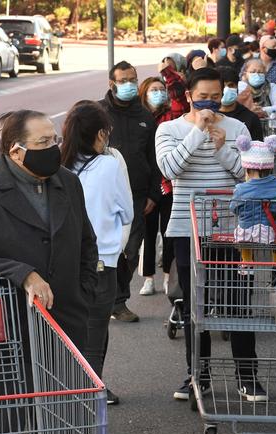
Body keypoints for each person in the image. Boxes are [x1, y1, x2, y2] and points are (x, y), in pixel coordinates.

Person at [0, 110, 98, 355]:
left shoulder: (68, 182)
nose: (54, 147)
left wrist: (84, 293)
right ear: (16, 151)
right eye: (43, 142)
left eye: (55, 140)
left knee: (68, 394)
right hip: (8, 333)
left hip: (68, 323)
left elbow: (86, 242)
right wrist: (24, 274)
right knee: (16, 394)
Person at [156, 67, 264, 402]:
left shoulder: (237, 128)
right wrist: (197, 132)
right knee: (193, 305)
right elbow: (169, 170)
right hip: (187, 229)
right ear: (188, 95)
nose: (210, 103)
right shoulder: (169, 129)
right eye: (203, 96)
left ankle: (248, 378)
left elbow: (248, 178)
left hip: (232, 230)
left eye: (216, 96)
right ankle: (197, 377)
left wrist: (221, 148)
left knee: (236, 302)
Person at [61, 100, 134, 404]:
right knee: (96, 330)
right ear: (100, 134)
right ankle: (91, 392)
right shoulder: (108, 164)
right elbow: (127, 211)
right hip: (104, 259)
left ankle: (77, 389)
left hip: (67, 260)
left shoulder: (59, 166)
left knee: (71, 330)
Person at [99, 61, 160, 323]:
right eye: (123, 80)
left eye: (133, 79)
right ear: (112, 84)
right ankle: (109, 300)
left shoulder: (145, 116)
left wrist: (153, 195)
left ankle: (118, 299)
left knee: (131, 250)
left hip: (135, 196)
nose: (129, 85)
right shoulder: (98, 113)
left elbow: (154, 158)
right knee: (104, 250)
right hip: (103, 195)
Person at [137, 77, 176, 296]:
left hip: (169, 184)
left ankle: (169, 277)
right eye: (153, 89)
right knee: (148, 234)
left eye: (162, 89)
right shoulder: (140, 117)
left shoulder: (172, 116)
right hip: (147, 185)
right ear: (144, 92)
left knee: (169, 232)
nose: (158, 93)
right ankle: (148, 278)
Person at [231, 134, 276, 267]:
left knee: (244, 238)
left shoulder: (241, 189)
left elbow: (234, 208)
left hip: (247, 232)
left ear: (247, 170)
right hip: (272, 230)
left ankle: (247, 262)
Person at [217, 67, 264, 140]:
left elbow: (257, 148)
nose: (226, 89)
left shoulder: (251, 118)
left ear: (237, 87)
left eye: (231, 85)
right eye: (222, 86)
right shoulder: (209, 116)